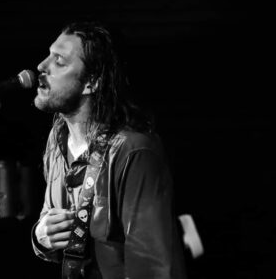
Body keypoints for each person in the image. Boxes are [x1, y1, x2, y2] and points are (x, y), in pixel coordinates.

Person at [31, 21, 187, 279]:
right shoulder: (57, 141)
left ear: (91, 82)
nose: (41, 66)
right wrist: (41, 238)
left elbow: (152, 266)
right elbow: (55, 236)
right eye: (49, 54)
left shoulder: (133, 151)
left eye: (59, 61)